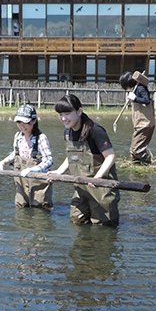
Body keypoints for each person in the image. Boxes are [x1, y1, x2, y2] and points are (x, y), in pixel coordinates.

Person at [48, 94, 120, 226]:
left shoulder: (95, 131)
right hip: (81, 189)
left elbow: (110, 156)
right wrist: (59, 172)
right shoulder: (67, 132)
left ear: (79, 111)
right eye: (60, 114)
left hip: (101, 189)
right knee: (77, 221)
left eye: (67, 113)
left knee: (102, 229)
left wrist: (98, 177)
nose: (63, 118)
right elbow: (72, 156)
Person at [0, 104, 54, 208]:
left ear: (34, 121)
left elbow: (49, 161)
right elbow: (15, 154)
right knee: (21, 208)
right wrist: (1, 163)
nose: (22, 126)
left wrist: (33, 170)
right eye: (19, 122)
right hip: (21, 181)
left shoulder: (41, 138)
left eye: (26, 122)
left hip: (38, 183)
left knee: (40, 211)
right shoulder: (18, 136)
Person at [119, 71, 155, 164]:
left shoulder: (140, 88)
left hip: (145, 123)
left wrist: (135, 98)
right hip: (140, 124)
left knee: (136, 149)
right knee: (133, 150)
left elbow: (146, 100)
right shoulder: (135, 89)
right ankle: (139, 165)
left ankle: (147, 160)